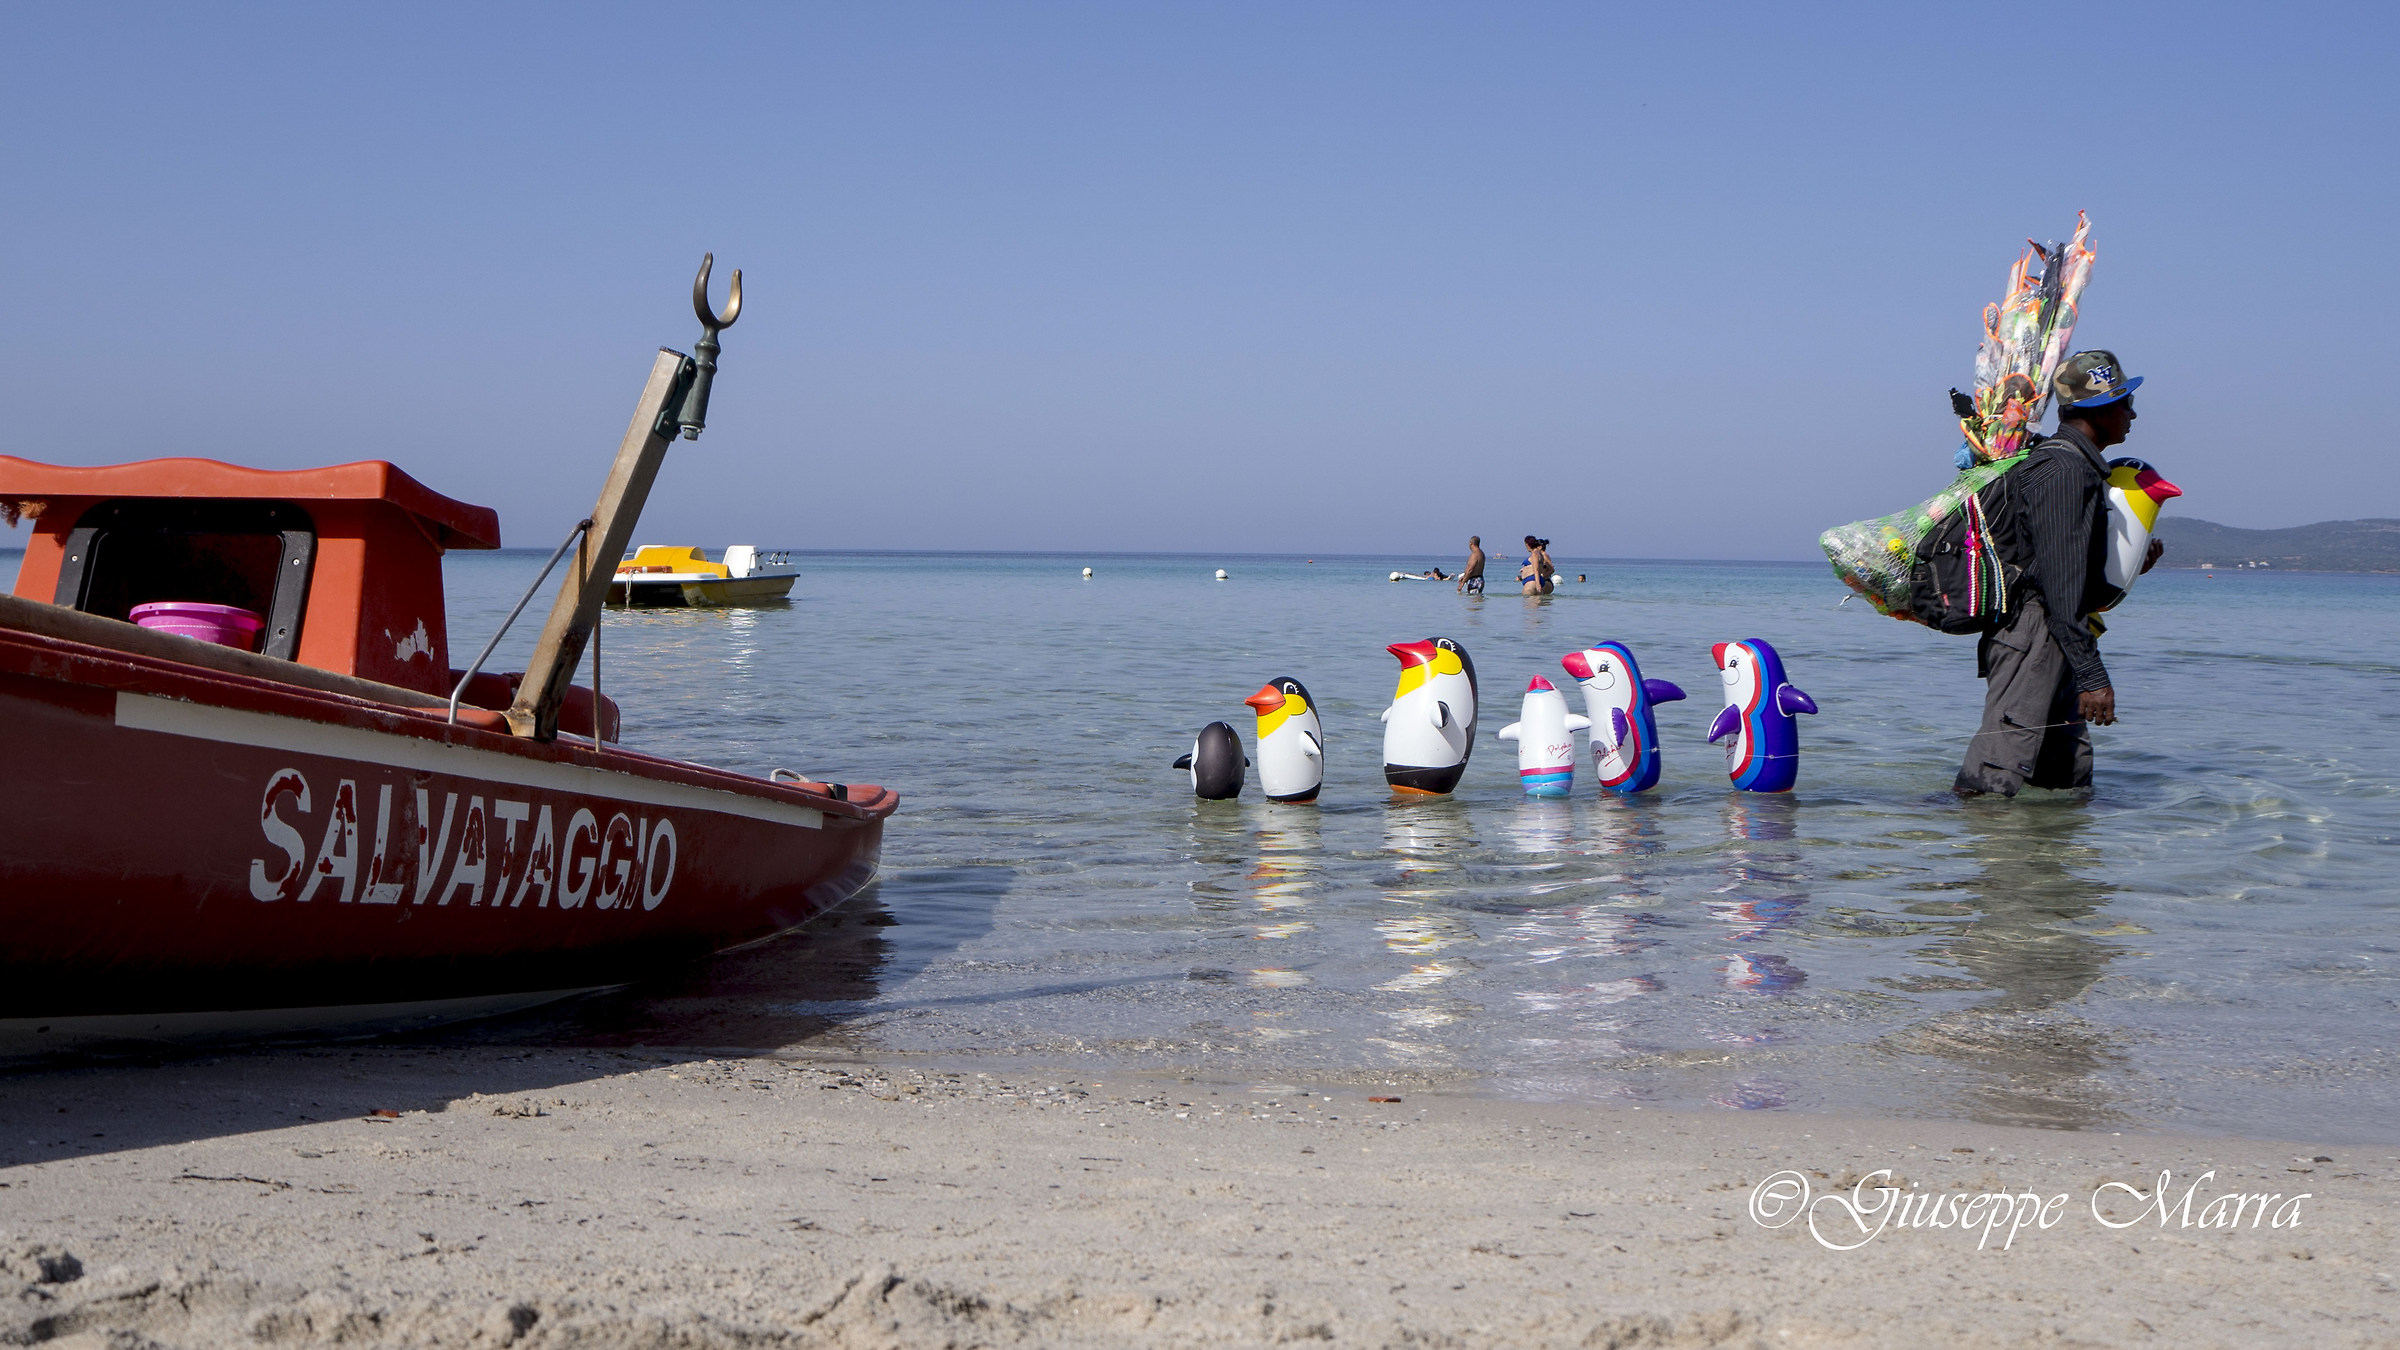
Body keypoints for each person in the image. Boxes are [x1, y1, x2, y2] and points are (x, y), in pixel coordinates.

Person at [1955, 350, 2164, 798]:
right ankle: (1947, 841)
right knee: (1993, 778)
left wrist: (2130, 563)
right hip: (2036, 629)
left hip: (2056, 628)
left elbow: (2063, 565)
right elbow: (2058, 582)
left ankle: (2052, 849)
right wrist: (2093, 675)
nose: (2132, 414)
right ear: (2097, 410)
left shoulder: (2077, 467)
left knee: (2066, 779)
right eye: (2125, 403)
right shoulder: (2064, 471)